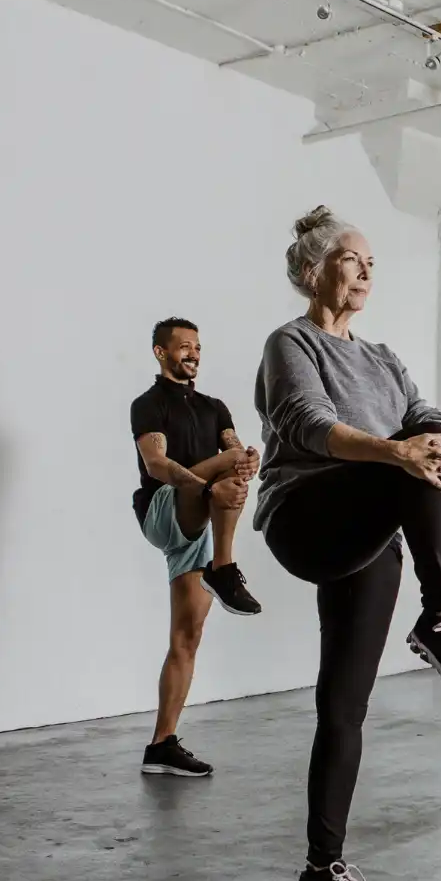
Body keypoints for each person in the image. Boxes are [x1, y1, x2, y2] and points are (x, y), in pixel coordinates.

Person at [255, 206, 441, 881]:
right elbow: (304, 422)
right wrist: (401, 452)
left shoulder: (384, 355)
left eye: (371, 264)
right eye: (352, 260)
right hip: (308, 514)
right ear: (313, 271)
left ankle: (321, 872)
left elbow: (424, 412)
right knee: (412, 454)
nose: (365, 272)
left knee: (344, 707)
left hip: (375, 532)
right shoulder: (290, 342)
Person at [129, 317, 261, 778]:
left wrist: (249, 461)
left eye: (198, 347)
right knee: (226, 465)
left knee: (187, 638)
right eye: (184, 346)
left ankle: (161, 745)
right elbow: (157, 464)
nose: (194, 354)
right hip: (164, 509)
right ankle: (224, 567)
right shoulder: (148, 405)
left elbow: (237, 452)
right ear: (160, 352)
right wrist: (207, 489)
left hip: (202, 523)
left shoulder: (215, 407)